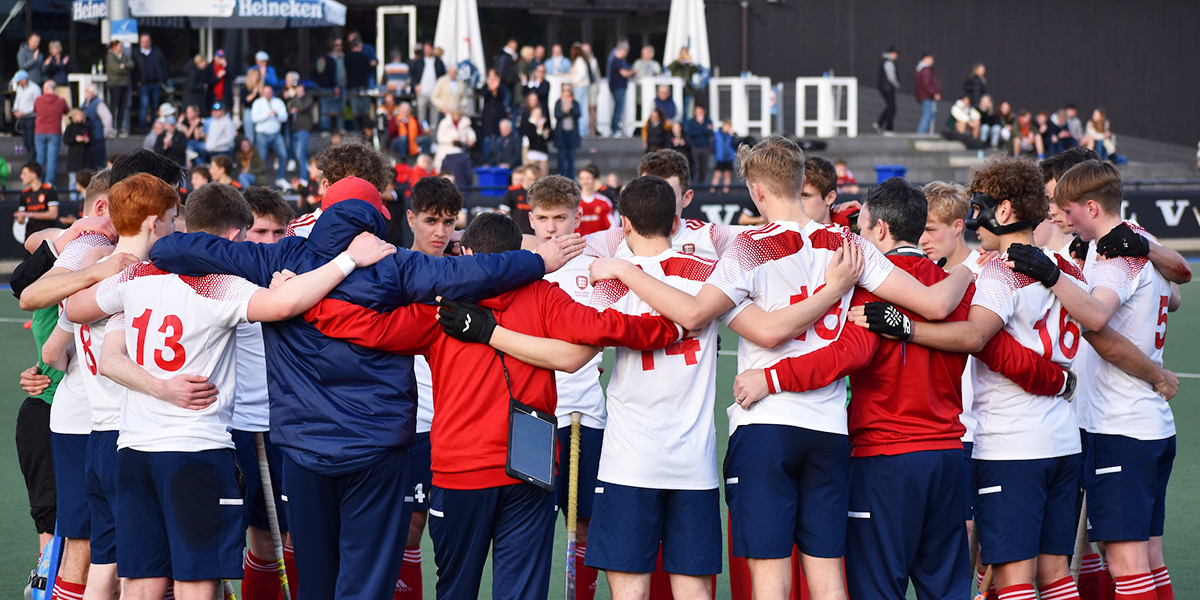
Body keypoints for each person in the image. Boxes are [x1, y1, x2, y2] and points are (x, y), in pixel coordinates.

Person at [148, 173, 584, 600]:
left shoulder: (279, 258)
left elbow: (171, 248)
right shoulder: (397, 263)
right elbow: (474, 271)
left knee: (315, 581)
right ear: (378, 218)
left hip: (302, 445)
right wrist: (539, 261)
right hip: (377, 447)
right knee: (368, 582)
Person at [587, 136, 975, 600]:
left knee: (770, 579)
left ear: (756, 190)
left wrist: (626, 270)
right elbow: (935, 304)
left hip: (766, 423)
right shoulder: (849, 245)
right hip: (828, 428)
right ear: (800, 179)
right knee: (828, 577)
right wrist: (968, 268)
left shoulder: (749, 247)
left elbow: (697, 315)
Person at [301, 206, 677, 600]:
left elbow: (368, 327)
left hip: (460, 470)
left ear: (465, 254)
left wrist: (309, 300)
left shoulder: (439, 305)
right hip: (530, 469)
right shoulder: (543, 295)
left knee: (456, 590)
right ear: (519, 256)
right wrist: (672, 327)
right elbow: (604, 326)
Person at [738, 178, 1069, 600]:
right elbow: (996, 349)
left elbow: (845, 355)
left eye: (862, 230)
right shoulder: (956, 287)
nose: (858, 239)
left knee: (878, 589)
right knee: (947, 589)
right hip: (947, 458)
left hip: (885, 461)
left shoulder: (869, 289)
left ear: (880, 231)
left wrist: (770, 377)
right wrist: (1061, 380)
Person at [64, 177, 393, 600]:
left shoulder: (136, 276)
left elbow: (79, 312)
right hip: (195, 449)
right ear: (235, 237)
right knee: (196, 582)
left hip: (133, 449)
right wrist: (348, 260)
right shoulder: (218, 283)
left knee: (142, 583)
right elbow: (284, 305)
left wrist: (158, 384)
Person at [1024, 160, 1184, 600]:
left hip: (1120, 426)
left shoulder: (1115, 257)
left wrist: (1051, 276)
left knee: (1126, 565)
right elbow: (1175, 294)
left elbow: (1095, 322)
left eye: (1066, 208)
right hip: (1148, 425)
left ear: (1091, 207)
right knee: (1147, 557)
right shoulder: (1135, 240)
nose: (1060, 216)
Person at [251, 85, 290, 189]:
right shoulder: (258, 103)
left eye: (269, 92)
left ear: (272, 92)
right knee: (262, 158)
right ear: (263, 93)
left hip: (276, 134)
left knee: (283, 154)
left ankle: (281, 178)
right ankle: (262, 181)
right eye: (266, 92)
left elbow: (285, 117)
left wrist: (276, 114)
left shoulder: (278, 102)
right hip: (262, 134)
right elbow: (254, 118)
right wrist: (267, 115)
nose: (268, 94)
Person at [35, 80, 71, 185]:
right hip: (54, 132)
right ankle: (49, 183)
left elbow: (35, 109)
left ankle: (37, 182)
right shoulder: (61, 101)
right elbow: (67, 111)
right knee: (52, 159)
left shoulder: (38, 100)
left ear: (46, 89)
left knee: (40, 158)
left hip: (40, 132)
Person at [132, 33, 167, 133]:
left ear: (150, 42)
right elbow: (134, 69)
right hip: (143, 84)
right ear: (140, 42)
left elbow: (163, 65)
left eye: (147, 41)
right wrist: (137, 81)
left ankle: (155, 128)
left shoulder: (157, 52)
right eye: (143, 42)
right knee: (144, 105)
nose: (145, 43)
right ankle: (142, 129)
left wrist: (161, 79)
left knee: (155, 107)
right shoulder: (136, 53)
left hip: (156, 83)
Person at [314, 39, 346, 132]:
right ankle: (330, 128)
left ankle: (325, 129)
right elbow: (332, 75)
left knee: (324, 109)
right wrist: (335, 86)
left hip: (320, 87)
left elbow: (316, 73)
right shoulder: (331, 60)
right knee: (332, 109)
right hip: (328, 89)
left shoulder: (320, 59)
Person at [413, 42, 447, 129]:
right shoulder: (419, 61)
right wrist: (416, 85)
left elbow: (442, 77)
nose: (427, 51)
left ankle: (433, 135)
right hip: (422, 93)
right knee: (422, 118)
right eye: (426, 49)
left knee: (434, 119)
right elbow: (412, 75)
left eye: (429, 49)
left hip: (435, 94)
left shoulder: (438, 62)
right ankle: (424, 132)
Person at [575, 164, 615, 236]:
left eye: (588, 178)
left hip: (599, 242)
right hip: (578, 241)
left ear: (595, 180)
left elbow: (613, 226)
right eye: (582, 179)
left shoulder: (604, 202)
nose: (585, 182)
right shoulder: (574, 202)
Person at [104, 41, 134, 137]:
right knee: (114, 106)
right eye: (118, 46)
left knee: (122, 107)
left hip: (124, 85)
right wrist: (125, 69)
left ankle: (119, 127)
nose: (121, 48)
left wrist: (123, 66)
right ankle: (112, 127)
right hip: (115, 85)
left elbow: (131, 64)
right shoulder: (110, 56)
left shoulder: (123, 56)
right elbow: (116, 69)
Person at [345, 38, 374, 133]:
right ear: (360, 46)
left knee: (355, 110)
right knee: (364, 110)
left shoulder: (347, 57)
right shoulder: (365, 57)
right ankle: (364, 130)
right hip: (363, 85)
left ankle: (356, 130)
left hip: (352, 86)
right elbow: (368, 71)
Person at [80, 85, 112, 170]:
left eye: (87, 91)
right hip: (89, 137)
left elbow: (107, 118)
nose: (85, 93)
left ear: (92, 92)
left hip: (97, 136)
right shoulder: (85, 103)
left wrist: (106, 132)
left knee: (99, 163)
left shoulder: (98, 103)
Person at [554, 86, 583, 177]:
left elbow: (578, 114)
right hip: (562, 134)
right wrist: (565, 111)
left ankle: (571, 177)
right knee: (561, 157)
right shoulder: (559, 102)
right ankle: (561, 176)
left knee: (571, 157)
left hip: (571, 133)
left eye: (568, 91)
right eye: (564, 91)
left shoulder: (575, 103)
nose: (566, 92)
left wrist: (570, 109)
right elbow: (557, 115)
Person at [667, 47, 702, 122]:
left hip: (687, 90)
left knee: (687, 110)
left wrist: (691, 62)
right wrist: (678, 61)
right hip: (676, 90)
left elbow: (696, 71)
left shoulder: (688, 65)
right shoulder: (676, 65)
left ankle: (686, 125)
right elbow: (670, 68)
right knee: (678, 109)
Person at [288, 84, 315, 181]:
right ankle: (307, 170)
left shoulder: (308, 98)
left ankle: (304, 177)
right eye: (296, 88)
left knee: (300, 153)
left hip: (304, 129)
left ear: (303, 88)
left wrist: (298, 97)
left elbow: (301, 107)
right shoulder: (293, 99)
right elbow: (289, 110)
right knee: (298, 154)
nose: (298, 89)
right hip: (294, 129)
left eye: (299, 87)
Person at [607, 43, 635, 137]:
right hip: (618, 87)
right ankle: (615, 128)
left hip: (616, 86)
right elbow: (624, 73)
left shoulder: (616, 60)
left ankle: (615, 127)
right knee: (619, 108)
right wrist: (633, 71)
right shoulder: (617, 60)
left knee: (618, 107)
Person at [12, 71, 39, 164]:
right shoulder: (19, 88)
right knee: (26, 141)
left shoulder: (35, 88)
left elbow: (37, 105)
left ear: (24, 80)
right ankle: (31, 159)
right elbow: (18, 100)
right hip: (22, 118)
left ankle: (32, 162)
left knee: (31, 141)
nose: (18, 82)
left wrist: (24, 112)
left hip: (31, 118)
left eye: (19, 80)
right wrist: (15, 109)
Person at [568, 44, 592, 136]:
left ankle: (582, 129)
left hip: (580, 86)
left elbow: (582, 73)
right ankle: (584, 129)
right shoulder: (581, 60)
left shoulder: (579, 60)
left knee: (580, 108)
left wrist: (575, 81)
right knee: (583, 107)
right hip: (583, 86)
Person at [874, 47, 899, 134]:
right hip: (888, 88)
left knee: (890, 107)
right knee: (892, 108)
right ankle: (888, 128)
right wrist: (897, 85)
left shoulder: (885, 61)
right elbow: (891, 77)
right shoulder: (889, 62)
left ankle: (880, 123)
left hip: (885, 87)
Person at [915, 53, 941, 135]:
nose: (932, 61)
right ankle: (920, 133)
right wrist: (934, 93)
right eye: (930, 59)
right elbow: (927, 84)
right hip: (926, 96)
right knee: (927, 115)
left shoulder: (923, 70)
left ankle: (921, 133)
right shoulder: (925, 70)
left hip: (925, 96)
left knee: (929, 115)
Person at [521, 106, 551, 177]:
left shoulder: (544, 124)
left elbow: (546, 139)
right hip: (533, 152)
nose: (538, 115)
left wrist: (545, 134)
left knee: (543, 173)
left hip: (542, 151)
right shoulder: (529, 125)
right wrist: (539, 130)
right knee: (532, 172)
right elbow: (530, 137)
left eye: (539, 114)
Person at [63, 109, 93, 178]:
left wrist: (88, 140)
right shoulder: (70, 127)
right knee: (73, 179)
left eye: (81, 115)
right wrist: (75, 139)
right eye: (78, 115)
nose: (80, 117)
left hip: (85, 158)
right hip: (74, 157)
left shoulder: (87, 127)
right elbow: (66, 139)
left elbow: (93, 140)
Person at [710, 120, 737, 194]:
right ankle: (713, 189)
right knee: (717, 173)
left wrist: (732, 136)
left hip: (728, 157)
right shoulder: (717, 134)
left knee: (727, 174)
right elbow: (713, 144)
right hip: (720, 157)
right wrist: (714, 152)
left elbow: (735, 145)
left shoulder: (731, 136)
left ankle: (726, 190)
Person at [494, 38, 520, 111]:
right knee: (506, 103)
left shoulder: (512, 56)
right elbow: (501, 70)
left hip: (509, 83)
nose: (515, 47)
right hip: (505, 84)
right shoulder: (504, 56)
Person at [241, 68, 264, 146]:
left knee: (259, 136)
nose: (256, 77)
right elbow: (245, 101)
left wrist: (261, 92)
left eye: (257, 76)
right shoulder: (245, 88)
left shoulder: (261, 88)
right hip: (249, 111)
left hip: (259, 112)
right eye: (254, 75)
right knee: (250, 135)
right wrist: (254, 93)